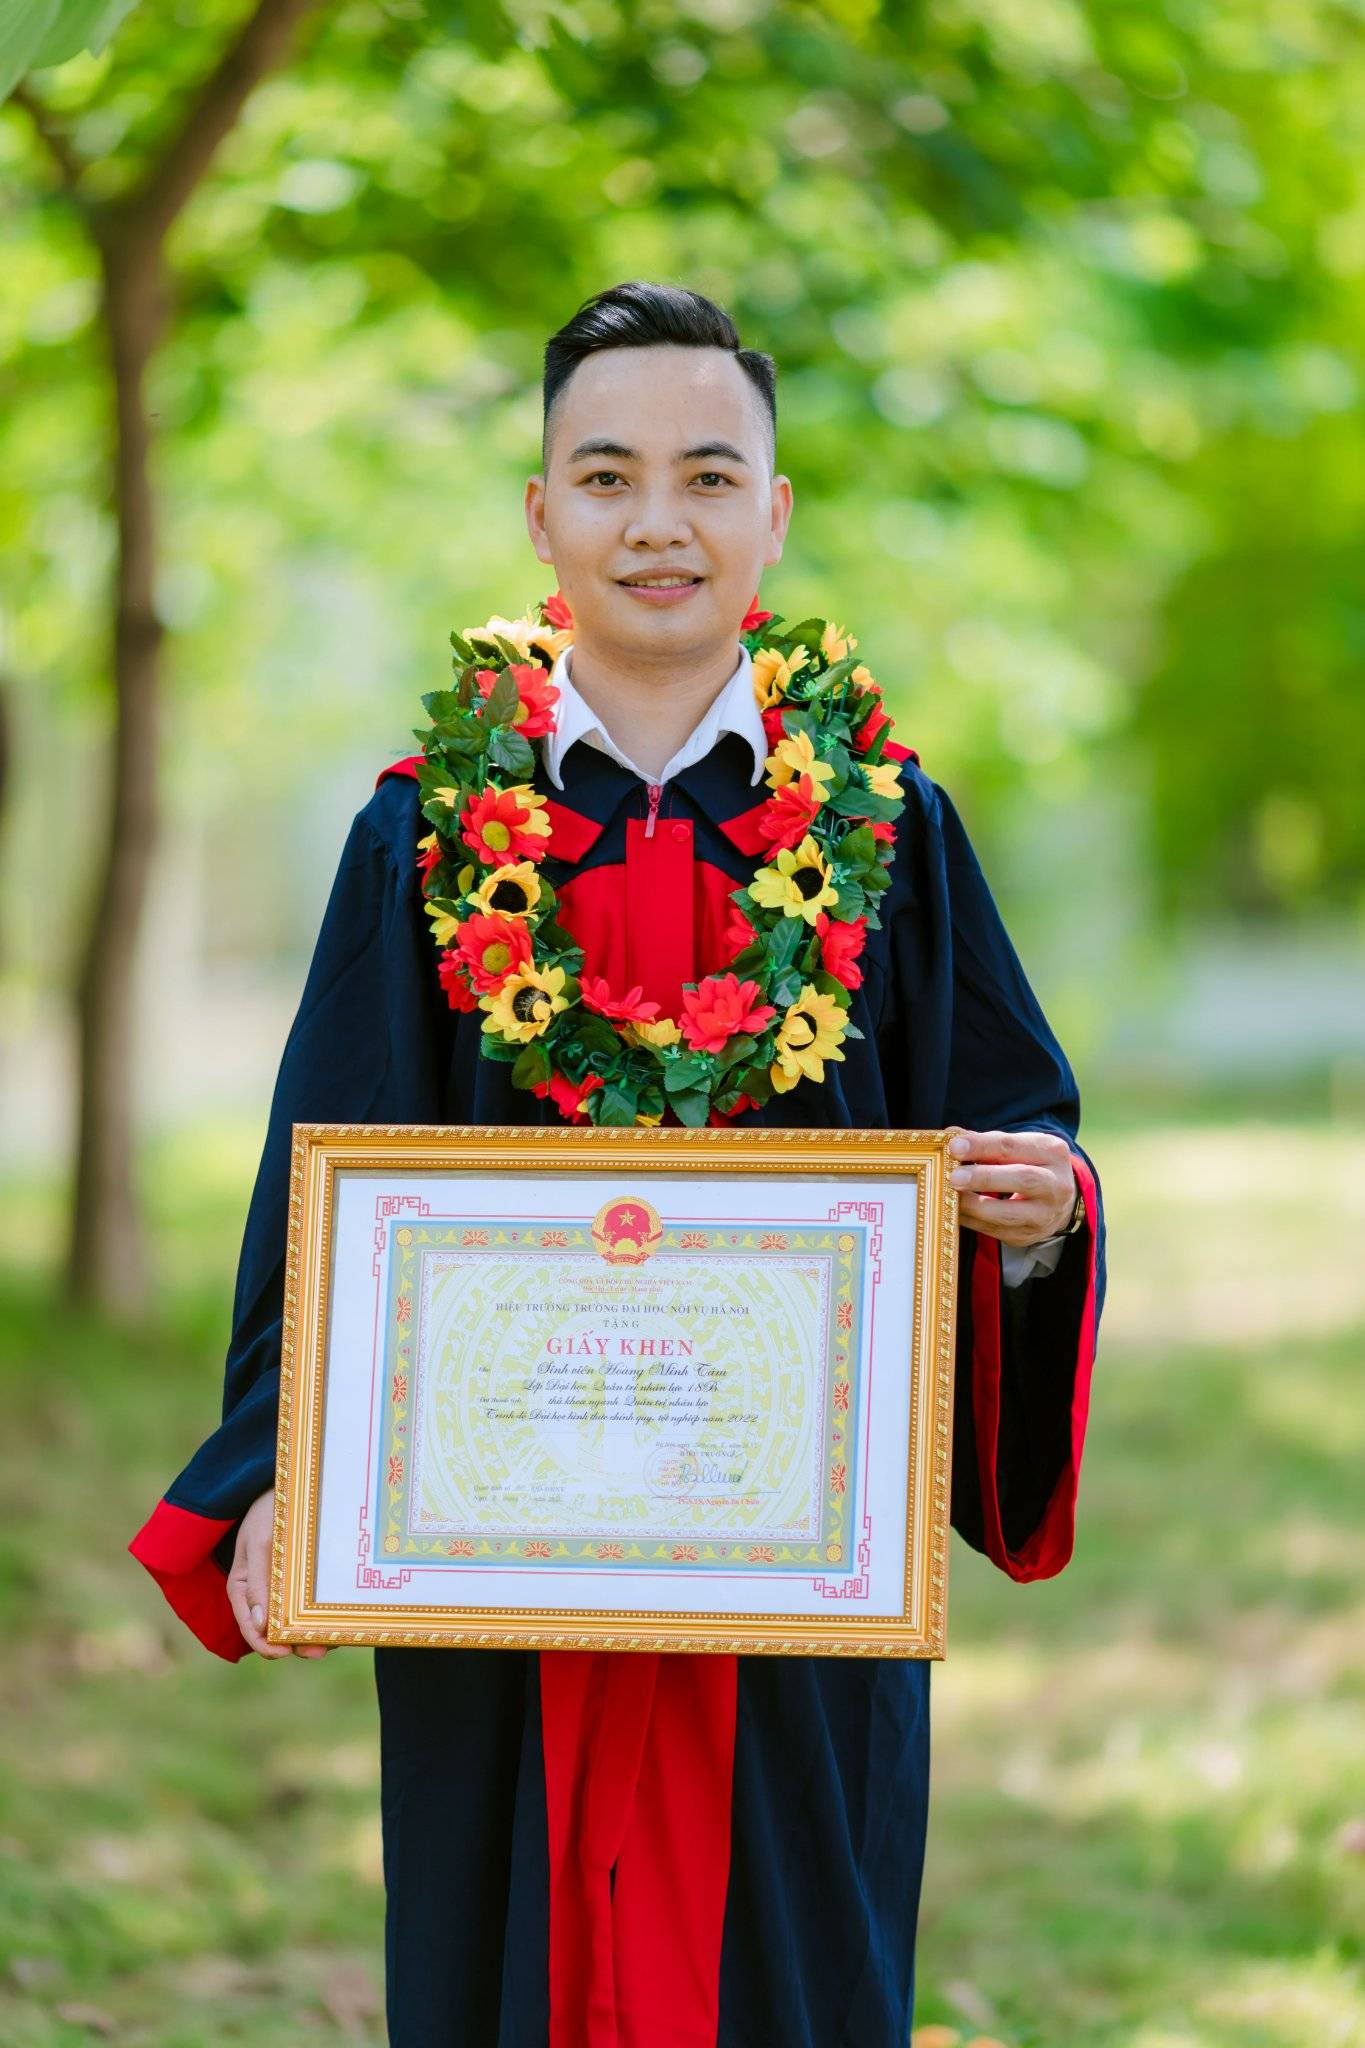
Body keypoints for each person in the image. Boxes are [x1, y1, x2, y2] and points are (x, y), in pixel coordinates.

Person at [129, 280, 1105, 2048]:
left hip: (794, 1575)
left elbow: (1020, 1119)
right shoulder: (424, 831)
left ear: (772, 515)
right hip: (491, 1556)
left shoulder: (888, 828)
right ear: (540, 514)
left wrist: (1036, 1217)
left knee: (789, 1956)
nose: (658, 521)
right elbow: (321, 1176)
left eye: (707, 476)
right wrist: (282, 1469)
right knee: (505, 1944)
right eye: (607, 476)